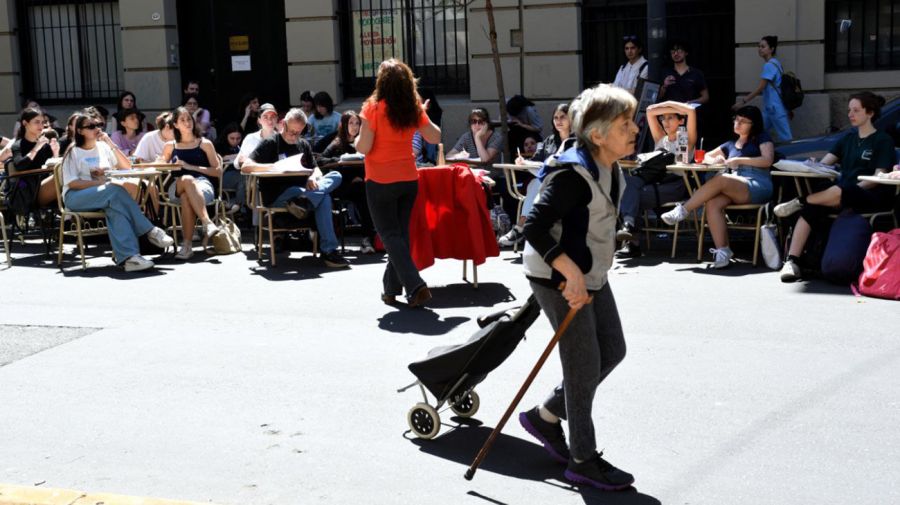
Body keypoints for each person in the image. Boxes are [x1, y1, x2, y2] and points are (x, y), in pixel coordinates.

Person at [518, 83, 636, 491]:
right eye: (625, 124)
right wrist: (567, 272)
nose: (634, 130)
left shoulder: (611, 166)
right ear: (598, 134)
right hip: (556, 274)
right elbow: (531, 226)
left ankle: (545, 416)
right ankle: (582, 460)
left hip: (589, 272)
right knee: (582, 366)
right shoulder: (572, 174)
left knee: (613, 350)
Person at [775, 92, 896, 282]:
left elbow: (877, 178)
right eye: (849, 110)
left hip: (868, 193)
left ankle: (799, 201)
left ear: (870, 113)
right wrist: (812, 164)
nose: (850, 114)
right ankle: (792, 262)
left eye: (856, 110)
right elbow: (824, 165)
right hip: (838, 193)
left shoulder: (883, 140)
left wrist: (852, 189)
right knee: (813, 206)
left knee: (837, 192)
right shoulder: (847, 139)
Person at [355, 58, 442, 306]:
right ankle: (390, 289)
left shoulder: (372, 107)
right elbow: (435, 137)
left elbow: (364, 146)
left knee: (391, 236)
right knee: (400, 236)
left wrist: (355, 139)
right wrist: (422, 112)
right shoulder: (412, 107)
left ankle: (416, 286)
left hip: (380, 179)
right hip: (407, 179)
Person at [661, 105, 774, 268]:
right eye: (736, 119)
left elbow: (767, 160)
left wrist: (739, 161)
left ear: (753, 124)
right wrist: (716, 160)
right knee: (712, 204)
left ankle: (684, 210)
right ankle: (723, 251)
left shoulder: (762, 137)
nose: (738, 123)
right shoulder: (730, 144)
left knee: (722, 179)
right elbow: (706, 156)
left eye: (743, 121)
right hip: (736, 184)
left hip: (758, 183)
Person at [60, 111, 173, 271]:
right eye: (91, 126)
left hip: (105, 195)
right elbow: (71, 183)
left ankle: (130, 258)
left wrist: (109, 141)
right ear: (80, 131)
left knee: (116, 208)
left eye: (99, 125)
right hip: (75, 197)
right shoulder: (74, 151)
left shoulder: (103, 146)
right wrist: (96, 182)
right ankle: (150, 230)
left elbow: (126, 166)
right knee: (115, 189)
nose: (96, 129)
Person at [241, 108, 349, 268]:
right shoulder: (271, 143)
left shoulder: (303, 144)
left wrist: (313, 177)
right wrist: (274, 167)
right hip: (279, 195)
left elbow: (316, 168)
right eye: (291, 131)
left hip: (303, 193)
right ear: (283, 124)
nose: (294, 136)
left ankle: (305, 201)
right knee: (323, 198)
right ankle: (329, 252)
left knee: (335, 176)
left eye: (298, 132)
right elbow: (246, 166)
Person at [616, 100, 696, 258]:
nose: (665, 122)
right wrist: (669, 107)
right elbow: (650, 111)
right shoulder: (661, 139)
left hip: (676, 185)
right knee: (626, 182)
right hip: (654, 182)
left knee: (628, 194)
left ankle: (632, 239)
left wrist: (671, 103)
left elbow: (691, 111)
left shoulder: (685, 137)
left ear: (681, 120)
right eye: (664, 118)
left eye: (671, 118)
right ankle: (629, 227)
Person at [498, 103, 575, 249]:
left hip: (569, 184)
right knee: (536, 182)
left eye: (562, 117)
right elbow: (535, 162)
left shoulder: (576, 141)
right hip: (547, 185)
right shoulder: (549, 141)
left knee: (537, 183)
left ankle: (519, 228)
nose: (558, 121)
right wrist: (523, 161)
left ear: (571, 119)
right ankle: (521, 227)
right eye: (555, 117)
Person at [159, 106, 222, 260]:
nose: (187, 123)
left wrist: (189, 167)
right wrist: (163, 163)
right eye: (183, 120)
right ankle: (207, 222)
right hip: (177, 185)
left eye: (189, 119)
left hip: (202, 185)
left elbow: (218, 171)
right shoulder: (170, 146)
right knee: (187, 180)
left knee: (188, 196)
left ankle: (186, 246)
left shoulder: (205, 143)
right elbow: (160, 166)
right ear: (175, 124)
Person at [319, 110, 375, 254]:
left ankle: (368, 237)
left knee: (365, 192)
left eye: (357, 123)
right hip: (341, 186)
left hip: (360, 185)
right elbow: (320, 159)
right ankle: (367, 238)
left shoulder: (362, 143)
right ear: (344, 125)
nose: (354, 127)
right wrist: (339, 159)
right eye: (351, 123)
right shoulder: (337, 143)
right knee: (362, 189)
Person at [732, 36, 792, 143]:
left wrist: (742, 102)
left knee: (786, 139)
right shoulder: (776, 63)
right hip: (771, 108)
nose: (760, 49)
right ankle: (758, 154)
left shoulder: (769, 65)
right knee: (756, 132)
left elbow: (760, 88)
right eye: (759, 46)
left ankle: (794, 157)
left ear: (771, 49)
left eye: (763, 46)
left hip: (775, 108)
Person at [5, 108, 60, 211]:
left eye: (42, 122)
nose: (41, 126)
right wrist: (36, 148)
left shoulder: (44, 145)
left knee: (63, 176)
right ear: (25, 123)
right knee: (60, 178)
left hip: (44, 185)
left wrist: (55, 152)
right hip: (28, 191)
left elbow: (50, 166)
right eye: (37, 122)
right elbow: (19, 165)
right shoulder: (18, 145)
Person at [659, 40, 709, 105]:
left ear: (686, 53)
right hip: (670, 113)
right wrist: (664, 86)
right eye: (673, 51)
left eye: (679, 51)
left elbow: (706, 97)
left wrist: (690, 103)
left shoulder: (696, 73)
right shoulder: (665, 72)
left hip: (689, 112)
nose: (676, 54)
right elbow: (657, 97)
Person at [235, 103, 279, 172]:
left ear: (277, 119)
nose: (270, 121)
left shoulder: (282, 138)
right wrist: (244, 161)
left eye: (273, 117)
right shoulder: (250, 138)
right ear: (259, 120)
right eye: (265, 117)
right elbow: (237, 163)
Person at [214, 122, 244, 211]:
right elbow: (218, 158)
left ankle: (231, 204)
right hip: (222, 177)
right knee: (243, 178)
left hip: (237, 175)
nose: (235, 141)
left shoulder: (241, 145)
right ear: (226, 136)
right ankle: (239, 207)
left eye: (238, 138)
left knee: (252, 182)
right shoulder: (218, 145)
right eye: (232, 138)